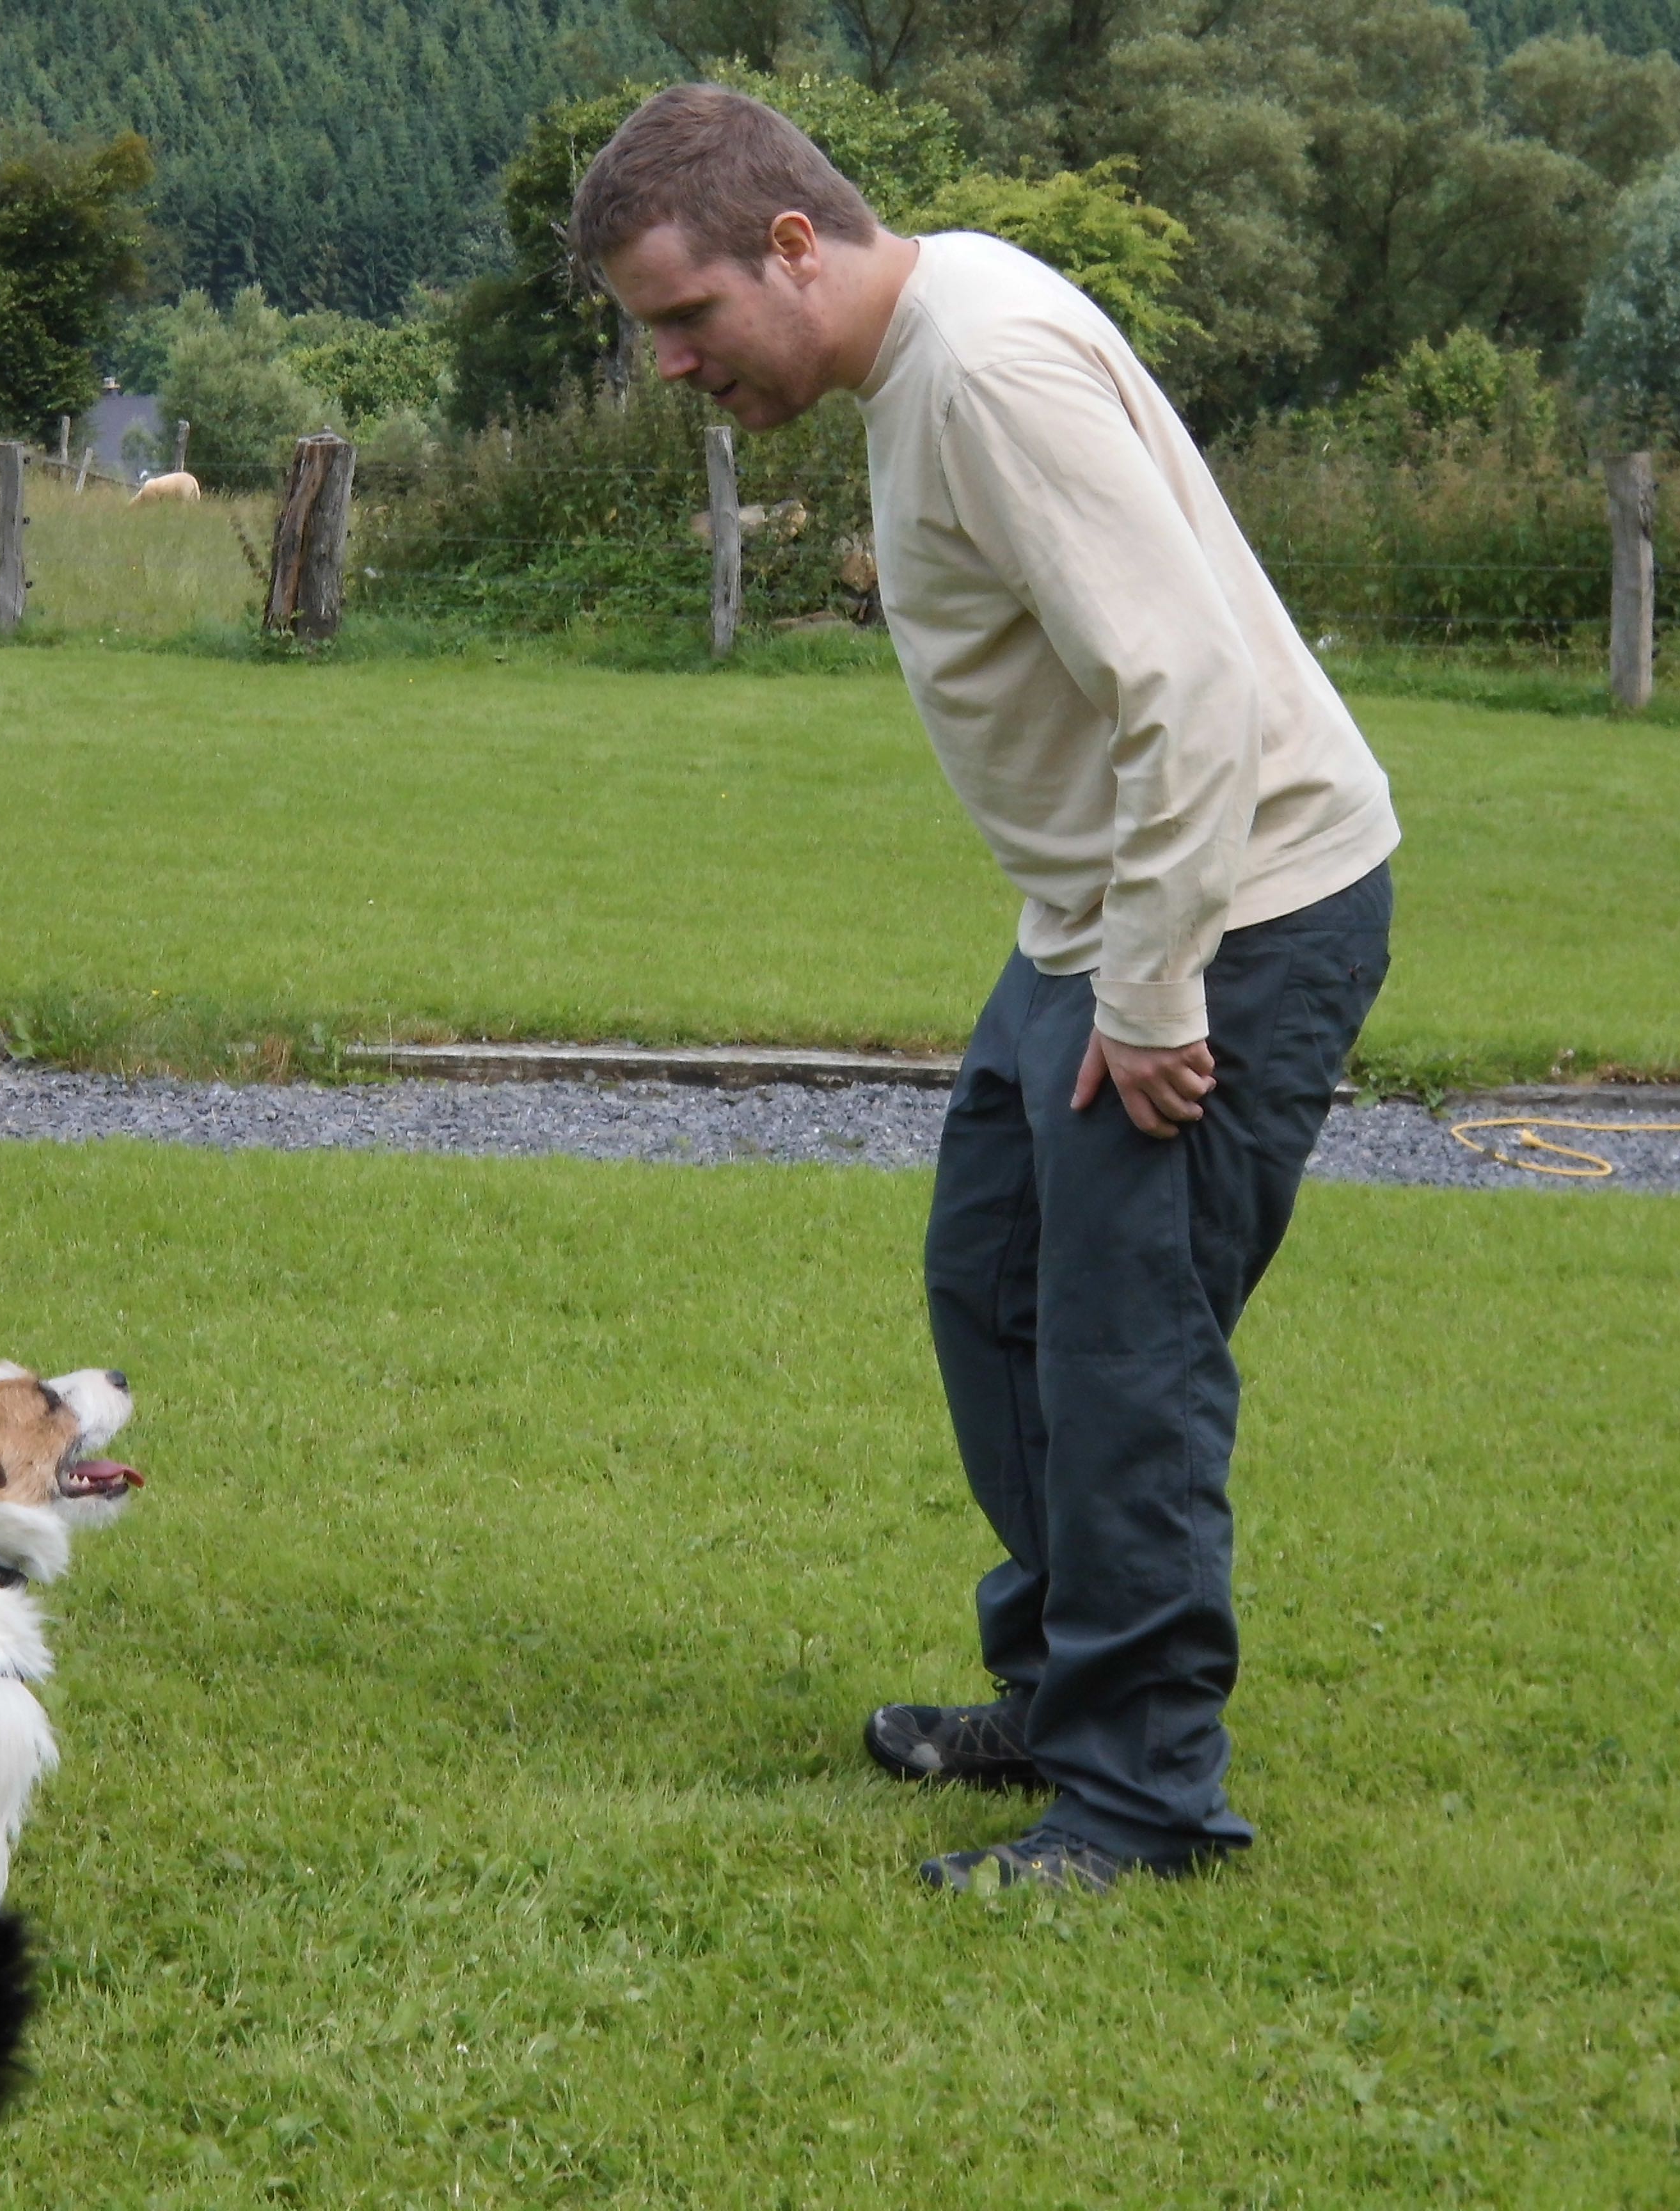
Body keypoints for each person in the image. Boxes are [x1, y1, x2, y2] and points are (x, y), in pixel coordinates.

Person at [575, 85, 1401, 1892]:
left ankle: (1142, 1801)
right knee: (999, 1289)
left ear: (794, 246)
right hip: (1096, 920)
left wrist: (1158, 996)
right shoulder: (927, 339)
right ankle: (1061, 1693)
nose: (674, 366)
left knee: (1124, 1357)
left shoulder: (983, 371)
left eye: (688, 317)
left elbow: (1186, 683)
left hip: (1225, 916)